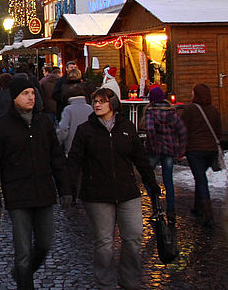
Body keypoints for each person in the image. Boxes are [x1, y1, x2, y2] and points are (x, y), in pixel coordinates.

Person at [67, 87, 160, 290]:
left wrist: (151, 183)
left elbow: (140, 159)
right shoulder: (86, 130)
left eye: (102, 101)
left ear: (113, 104)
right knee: (104, 243)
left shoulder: (126, 127)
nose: (97, 105)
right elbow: (74, 160)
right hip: (97, 194)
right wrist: (68, 189)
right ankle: (105, 283)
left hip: (127, 191)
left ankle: (129, 279)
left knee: (134, 237)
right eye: (95, 101)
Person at [0, 76, 72, 290]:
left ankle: (19, 273)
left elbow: (56, 158)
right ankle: (25, 283)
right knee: (23, 252)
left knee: (44, 244)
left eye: (33, 93)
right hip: (18, 195)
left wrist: (65, 190)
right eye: (25, 93)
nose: (31, 97)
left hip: (44, 192)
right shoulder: (0, 126)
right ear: (14, 97)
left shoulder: (43, 122)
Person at [143, 86, 187, 225]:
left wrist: (153, 145)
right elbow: (182, 130)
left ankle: (156, 205)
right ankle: (171, 211)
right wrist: (181, 148)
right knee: (168, 181)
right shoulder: (172, 112)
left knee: (147, 177)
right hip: (169, 150)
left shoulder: (151, 112)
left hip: (154, 152)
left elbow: (150, 129)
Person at [181, 83, 222, 227]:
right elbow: (218, 131)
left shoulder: (190, 110)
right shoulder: (214, 110)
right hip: (210, 151)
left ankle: (208, 212)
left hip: (195, 150)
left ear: (196, 95)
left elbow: (183, 129)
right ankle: (198, 207)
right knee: (200, 177)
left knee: (201, 179)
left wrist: (181, 147)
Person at [57, 84, 94, 156]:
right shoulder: (90, 108)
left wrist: (58, 141)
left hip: (72, 147)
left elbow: (63, 128)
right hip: (89, 147)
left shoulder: (68, 110)